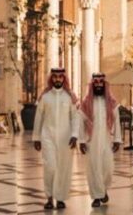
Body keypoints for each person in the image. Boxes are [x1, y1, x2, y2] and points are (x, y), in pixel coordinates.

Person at [33, 68, 79, 210]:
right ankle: (49, 197)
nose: (57, 79)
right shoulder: (45, 97)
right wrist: (36, 137)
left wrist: (75, 135)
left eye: (60, 77)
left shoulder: (70, 97)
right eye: (55, 77)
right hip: (48, 137)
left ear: (63, 78)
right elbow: (39, 117)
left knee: (63, 168)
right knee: (50, 167)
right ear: (51, 79)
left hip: (66, 138)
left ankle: (60, 198)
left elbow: (75, 117)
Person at [78, 73, 120, 208]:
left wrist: (117, 139)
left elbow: (117, 122)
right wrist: (81, 141)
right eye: (96, 83)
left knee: (108, 169)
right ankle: (96, 196)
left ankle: (103, 188)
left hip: (107, 140)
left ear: (104, 84)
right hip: (92, 141)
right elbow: (80, 122)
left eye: (101, 82)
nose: (98, 85)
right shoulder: (86, 103)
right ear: (92, 85)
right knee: (94, 168)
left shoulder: (112, 103)